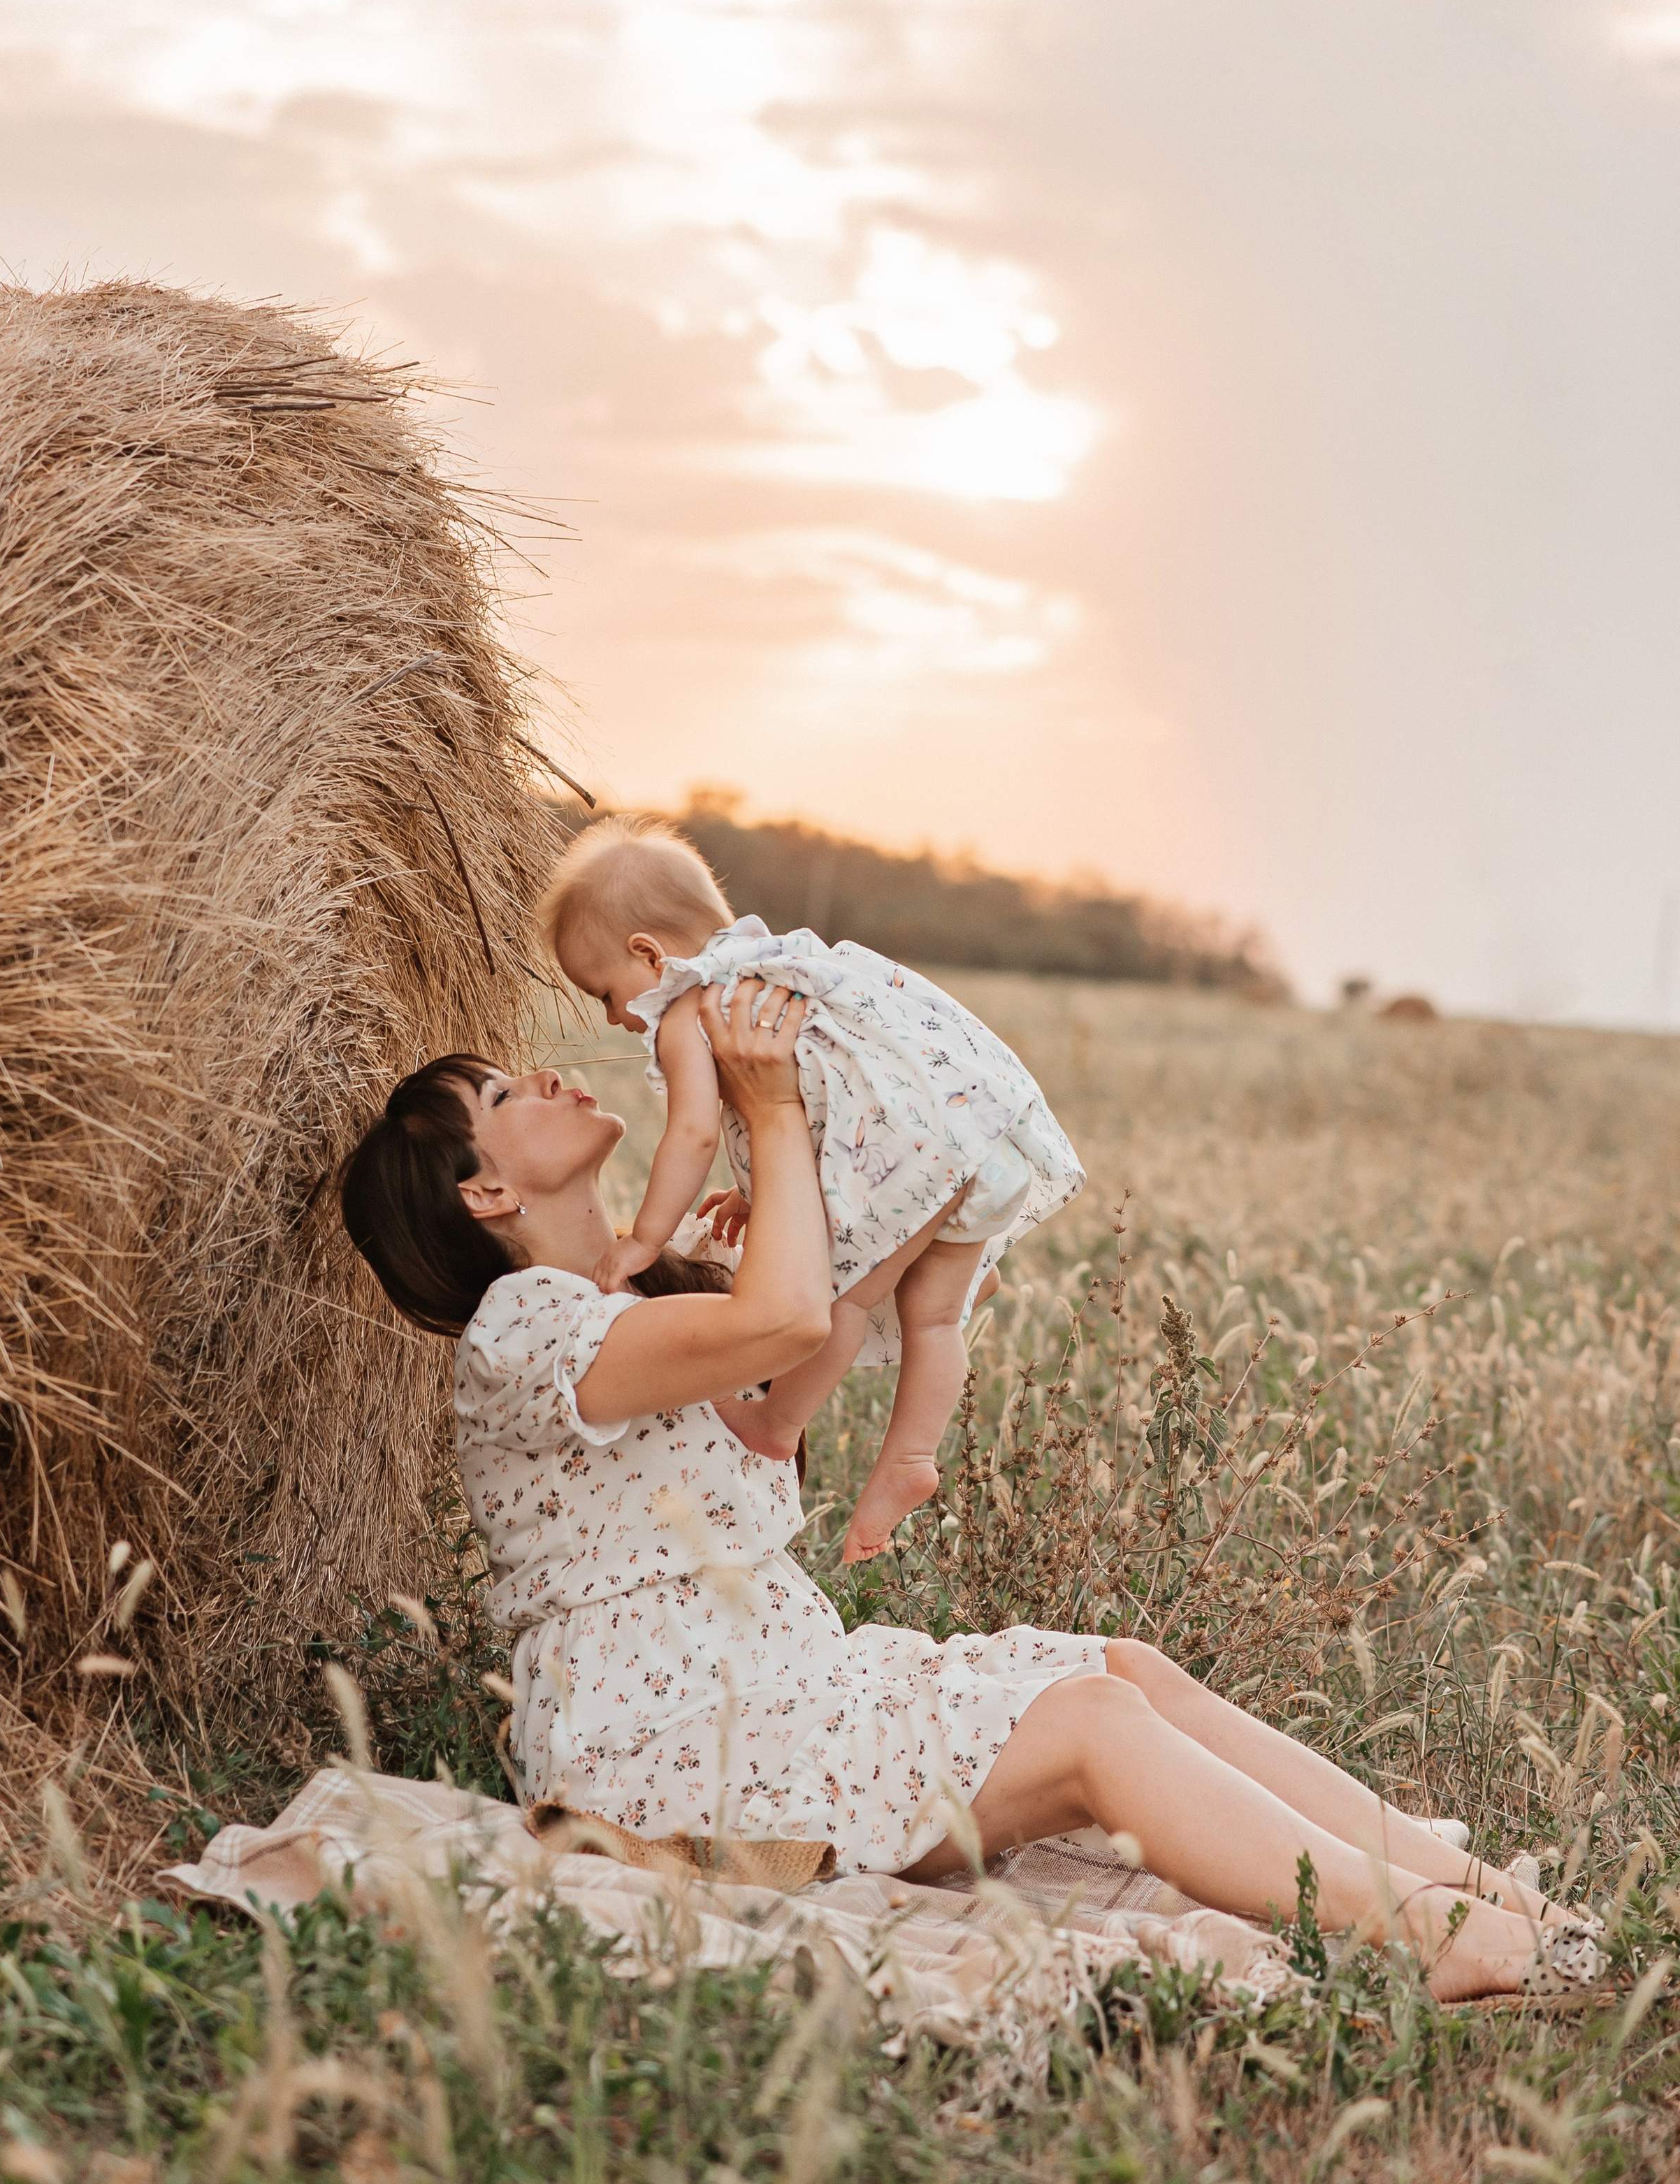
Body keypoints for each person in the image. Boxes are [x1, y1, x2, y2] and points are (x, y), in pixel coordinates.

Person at [339, 975, 1598, 2003]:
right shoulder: (527, 1329)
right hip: (671, 1773)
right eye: (505, 1092)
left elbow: (782, 1405)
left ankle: (1488, 1900)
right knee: (1094, 1734)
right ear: (485, 1192)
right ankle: (1438, 1945)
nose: (552, 1077)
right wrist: (766, 1106)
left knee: (1123, 1672)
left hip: (783, 1694)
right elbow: (781, 1323)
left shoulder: (630, 1298)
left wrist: (876, 1166)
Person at [534, 816, 1085, 1559]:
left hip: (913, 1163)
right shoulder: (781, 967)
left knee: (842, 1299)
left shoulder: (688, 1003)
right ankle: (911, 1458)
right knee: (935, 1319)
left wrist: (647, 1238)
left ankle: (776, 1424)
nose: (611, 1015)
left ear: (648, 953)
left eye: (604, 991)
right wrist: (760, 1192)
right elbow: (834, 1106)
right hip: (972, 1142)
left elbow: (693, 1133)